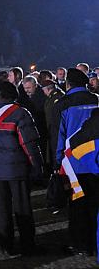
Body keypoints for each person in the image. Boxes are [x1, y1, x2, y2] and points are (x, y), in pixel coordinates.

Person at [0, 81, 44, 256]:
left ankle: (4, 245)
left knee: (1, 210)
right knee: (22, 209)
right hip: (17, 170)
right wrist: (37, 166)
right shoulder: (21, 113)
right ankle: (27, 245)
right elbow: (29, 144)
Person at [50, 68, 99, 256]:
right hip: (96, 158)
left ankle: (80, 244)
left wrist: (56, 164)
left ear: (68, 84)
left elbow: (58, 136)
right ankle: (95, 241)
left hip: (74, 161)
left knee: (78, 204)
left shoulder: (62, 104)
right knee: (96, 203)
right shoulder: (95, 99)